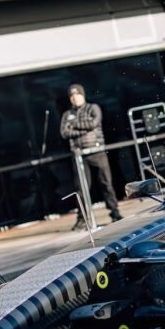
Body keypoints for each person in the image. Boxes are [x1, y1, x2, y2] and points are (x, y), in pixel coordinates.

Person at [60, 83, 120, 229]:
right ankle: (82, 219)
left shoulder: (93, 107)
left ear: (83, 95)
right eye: (72, 96)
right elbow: (64, 133)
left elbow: (94, 123)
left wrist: (74, 125)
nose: (75, 98)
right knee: (81, 189)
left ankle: (115, 213)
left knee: (106, 183)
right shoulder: (67, 114)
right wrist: (82, 129)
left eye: (77, 94)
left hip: (97, 151)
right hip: (79, 155)